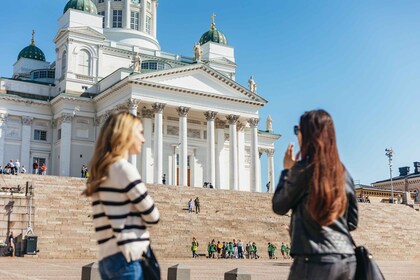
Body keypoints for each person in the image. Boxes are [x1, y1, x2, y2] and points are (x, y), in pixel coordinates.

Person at [272, 109, 358, 280]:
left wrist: (287, 171)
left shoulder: (302, 169)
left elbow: (279, 206)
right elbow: (352, 222)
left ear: (309, 135)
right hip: (347, 261)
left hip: (313, 261)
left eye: (299, 130)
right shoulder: (344, 173)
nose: (297, 135)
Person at [83, 111, 160, 280]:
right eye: (140, 132)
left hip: (108, 258)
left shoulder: (100, 173)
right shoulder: (124, 169)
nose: (143, 139)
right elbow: (153, 215)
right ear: (126, 134)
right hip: (129, 257)